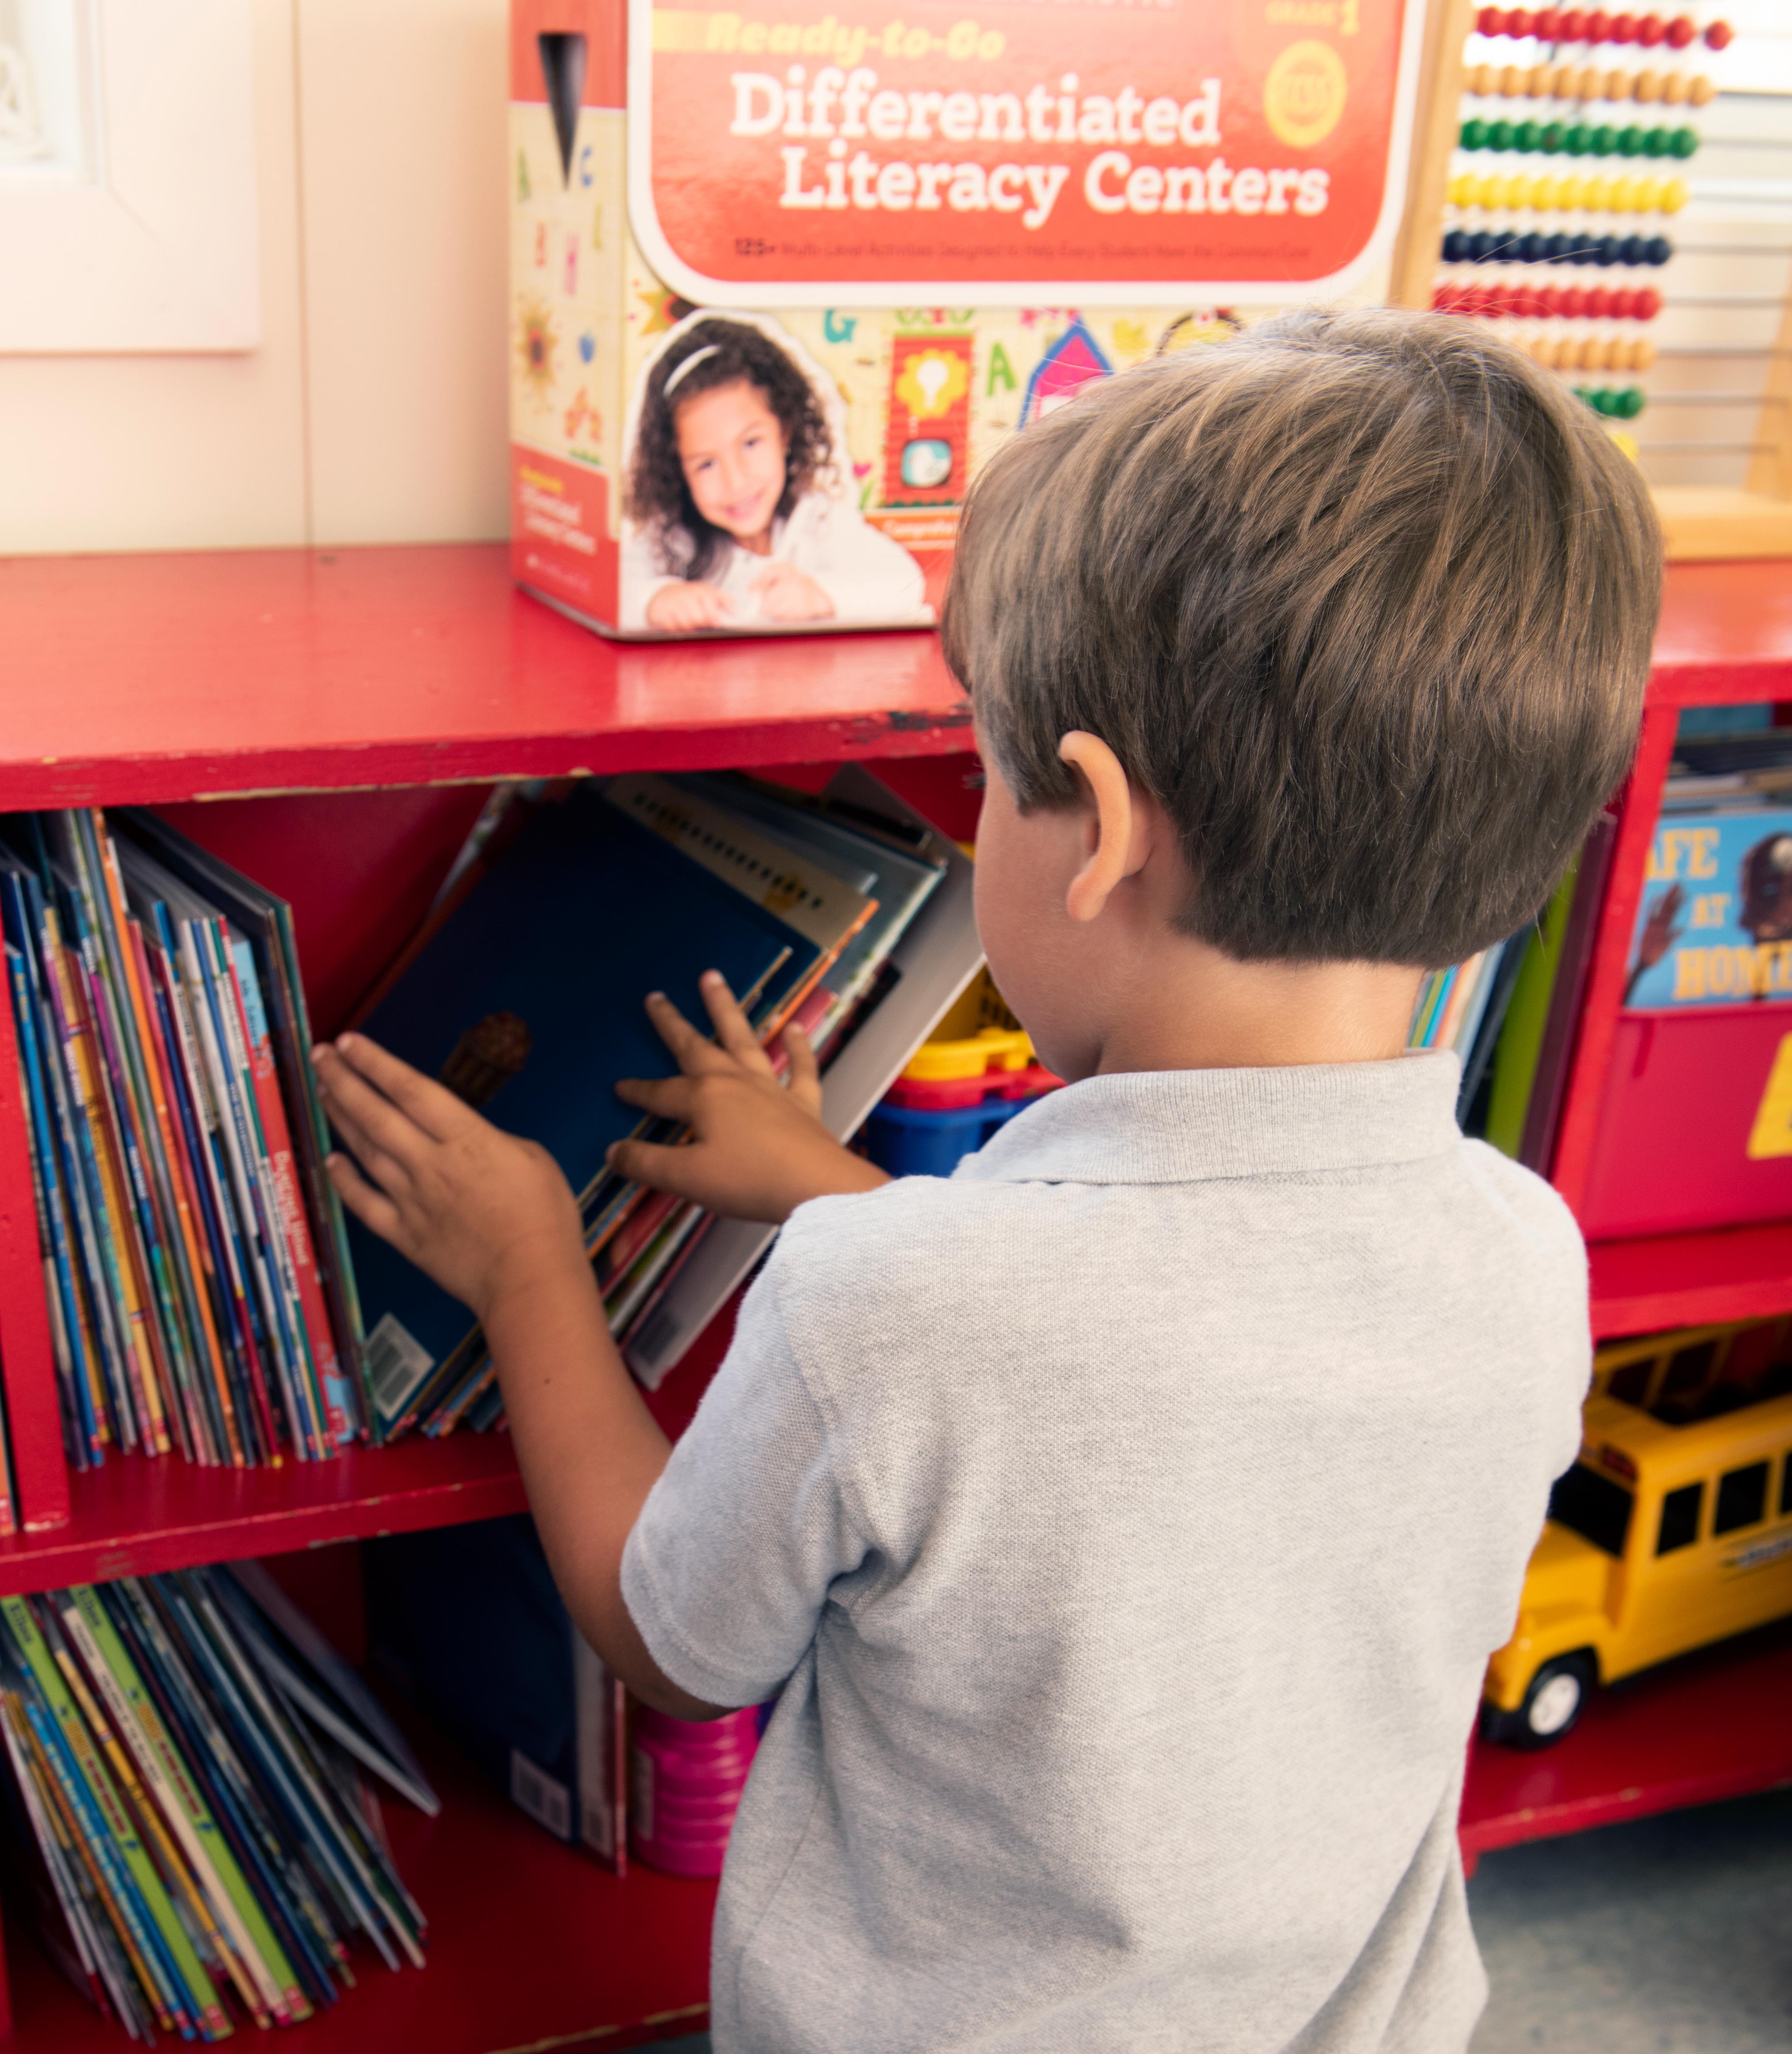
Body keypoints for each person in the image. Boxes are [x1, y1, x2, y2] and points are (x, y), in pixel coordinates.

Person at [312, 307, 1663, 2052]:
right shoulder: (1520, 1252)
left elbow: (674, 1635)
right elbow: (1169, 1374)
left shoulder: (887, 1307)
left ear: (1087, 825)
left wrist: (527, 1273)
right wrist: (826, 1178)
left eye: (989, 771)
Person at [621, 316, 929, 633]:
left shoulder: (817, 524)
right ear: (678, 470)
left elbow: (905, 583)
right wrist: (655, 599)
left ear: (785, 429)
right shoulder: (672, 541)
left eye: (751, 443)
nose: (736, 482)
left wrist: (820, 596)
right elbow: (611, 590)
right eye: (706, 464)